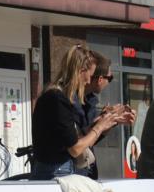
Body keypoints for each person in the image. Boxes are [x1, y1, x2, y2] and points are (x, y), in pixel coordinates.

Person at [31, 46, 124, 180]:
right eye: (90, 75)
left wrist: (106, 122)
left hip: (54, 169)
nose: (89, 81)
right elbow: (75, 148)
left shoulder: (55, 96)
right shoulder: (57, 98)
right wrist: (100, 126)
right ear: (80, 71)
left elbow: (77, 138)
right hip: (57, 171)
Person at [74, 52, 135, 179]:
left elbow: (90, 140)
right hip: (72, 173)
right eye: (110, 78)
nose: (88, 79)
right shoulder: (69, 100)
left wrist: (111, 120)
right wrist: (102, 123)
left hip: (86, 171)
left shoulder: (89, 100)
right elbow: (78, 145)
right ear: (100, 79)